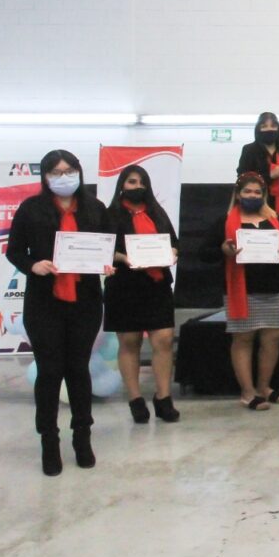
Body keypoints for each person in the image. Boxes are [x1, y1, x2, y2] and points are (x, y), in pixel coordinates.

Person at [6, 150, 113, 476]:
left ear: (79, 172)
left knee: (79, 370)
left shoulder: (95, 208)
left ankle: (82, 437)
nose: (64, 177)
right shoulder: (31, 209)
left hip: (85, 301)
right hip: (44, 302)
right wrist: (32, 265)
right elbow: (14, 250)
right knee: (50, 371)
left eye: (69, 170)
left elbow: (109, 247)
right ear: (45, 176)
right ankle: (49, 441)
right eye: (56, 172)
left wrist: (108, 264)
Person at [199, 172, 279, 412]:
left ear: (264, 195)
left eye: (257, 192)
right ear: (238, 194)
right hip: (241, 290)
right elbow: (204, 253)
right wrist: (223, 250)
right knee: (243, 339)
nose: (252, 196)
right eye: (247, 191)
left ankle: (264, 387)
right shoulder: (224, 221)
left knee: (273, 338)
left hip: (272, 289)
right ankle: (247, 392)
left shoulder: (275, 220)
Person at [104, 165, 181, 424]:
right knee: (130, 342)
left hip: (156, 285)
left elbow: (174, 243)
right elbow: (102, 248)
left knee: (164, 340)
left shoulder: (157, 212)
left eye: (141, 182)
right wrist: (123, 257)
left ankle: (164, 397)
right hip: (124, 285)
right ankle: (135, 399)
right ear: (122, 185)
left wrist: (173, 253)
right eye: (132, 182)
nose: (137, 187)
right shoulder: (110, 214)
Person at [237, 112, 279, 224]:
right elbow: (242, 178)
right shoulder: (249, 150)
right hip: (256, 203)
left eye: (273, 126)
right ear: (258, 129)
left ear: (278, 129)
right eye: (264, 126)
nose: (269, 129)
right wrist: (269, 175)